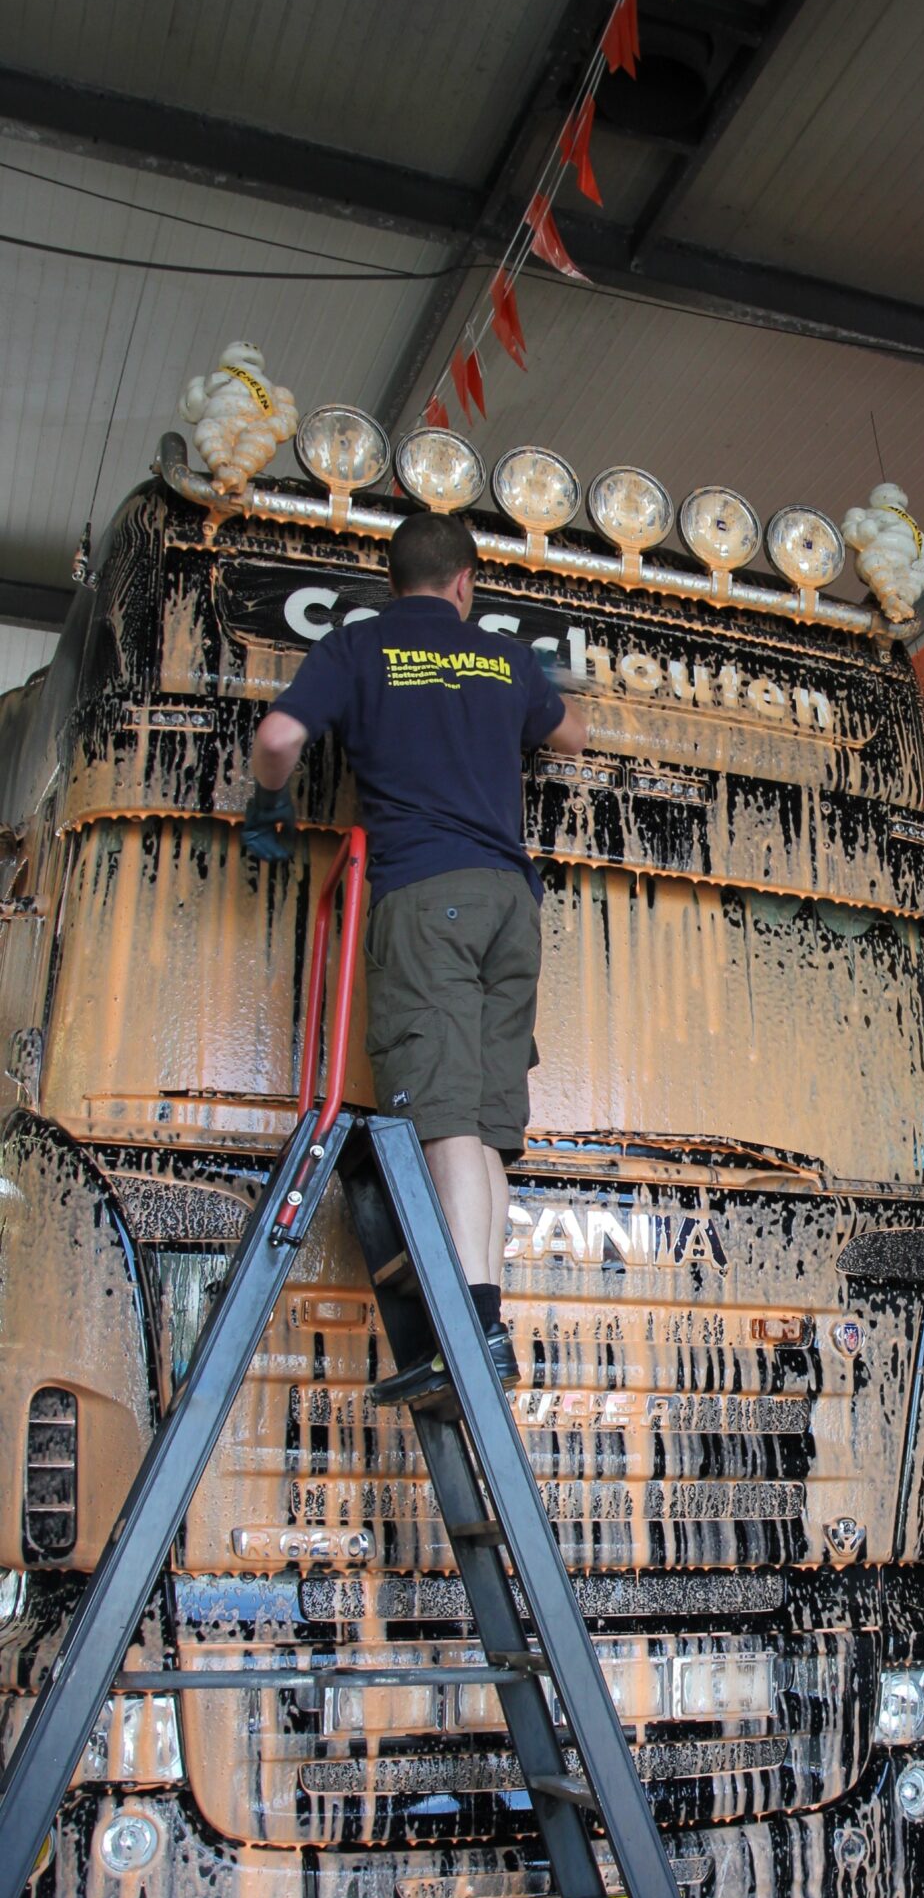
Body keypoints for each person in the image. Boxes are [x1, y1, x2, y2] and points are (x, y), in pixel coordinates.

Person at [239, 510, 587, 1382]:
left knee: (442, 1123)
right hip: (512, 902)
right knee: (486, 1133)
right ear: (466, 582)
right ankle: (487, 1321)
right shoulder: (503, 657)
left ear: (393, 581)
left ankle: (466, 1335)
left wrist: (268, 802)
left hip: (425, 896)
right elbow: (571, 734)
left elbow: (279, 739)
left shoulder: (357, 648)